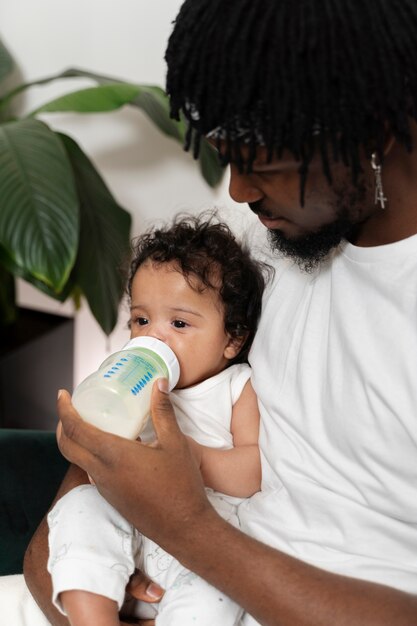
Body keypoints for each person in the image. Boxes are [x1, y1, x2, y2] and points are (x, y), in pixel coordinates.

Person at [24, 0, 417, 624]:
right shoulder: (255, 237)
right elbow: (62, 538)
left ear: (375, 133)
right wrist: (89, 563)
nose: (237, 190)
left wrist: (183, 527)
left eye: (264, 165)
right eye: (226, 157)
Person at [46, 215, 266, 626]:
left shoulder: (236, 388)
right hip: (126, 516)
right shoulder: (127, 379)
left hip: (200, 538)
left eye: (179, 324)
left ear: (232, 339)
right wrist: (74, 430)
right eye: (141, 320)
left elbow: (254, 469)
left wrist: (193, 458)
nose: (154, 337)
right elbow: (88, 435)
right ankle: (92, 619)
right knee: (80, 506)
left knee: (222, 587)